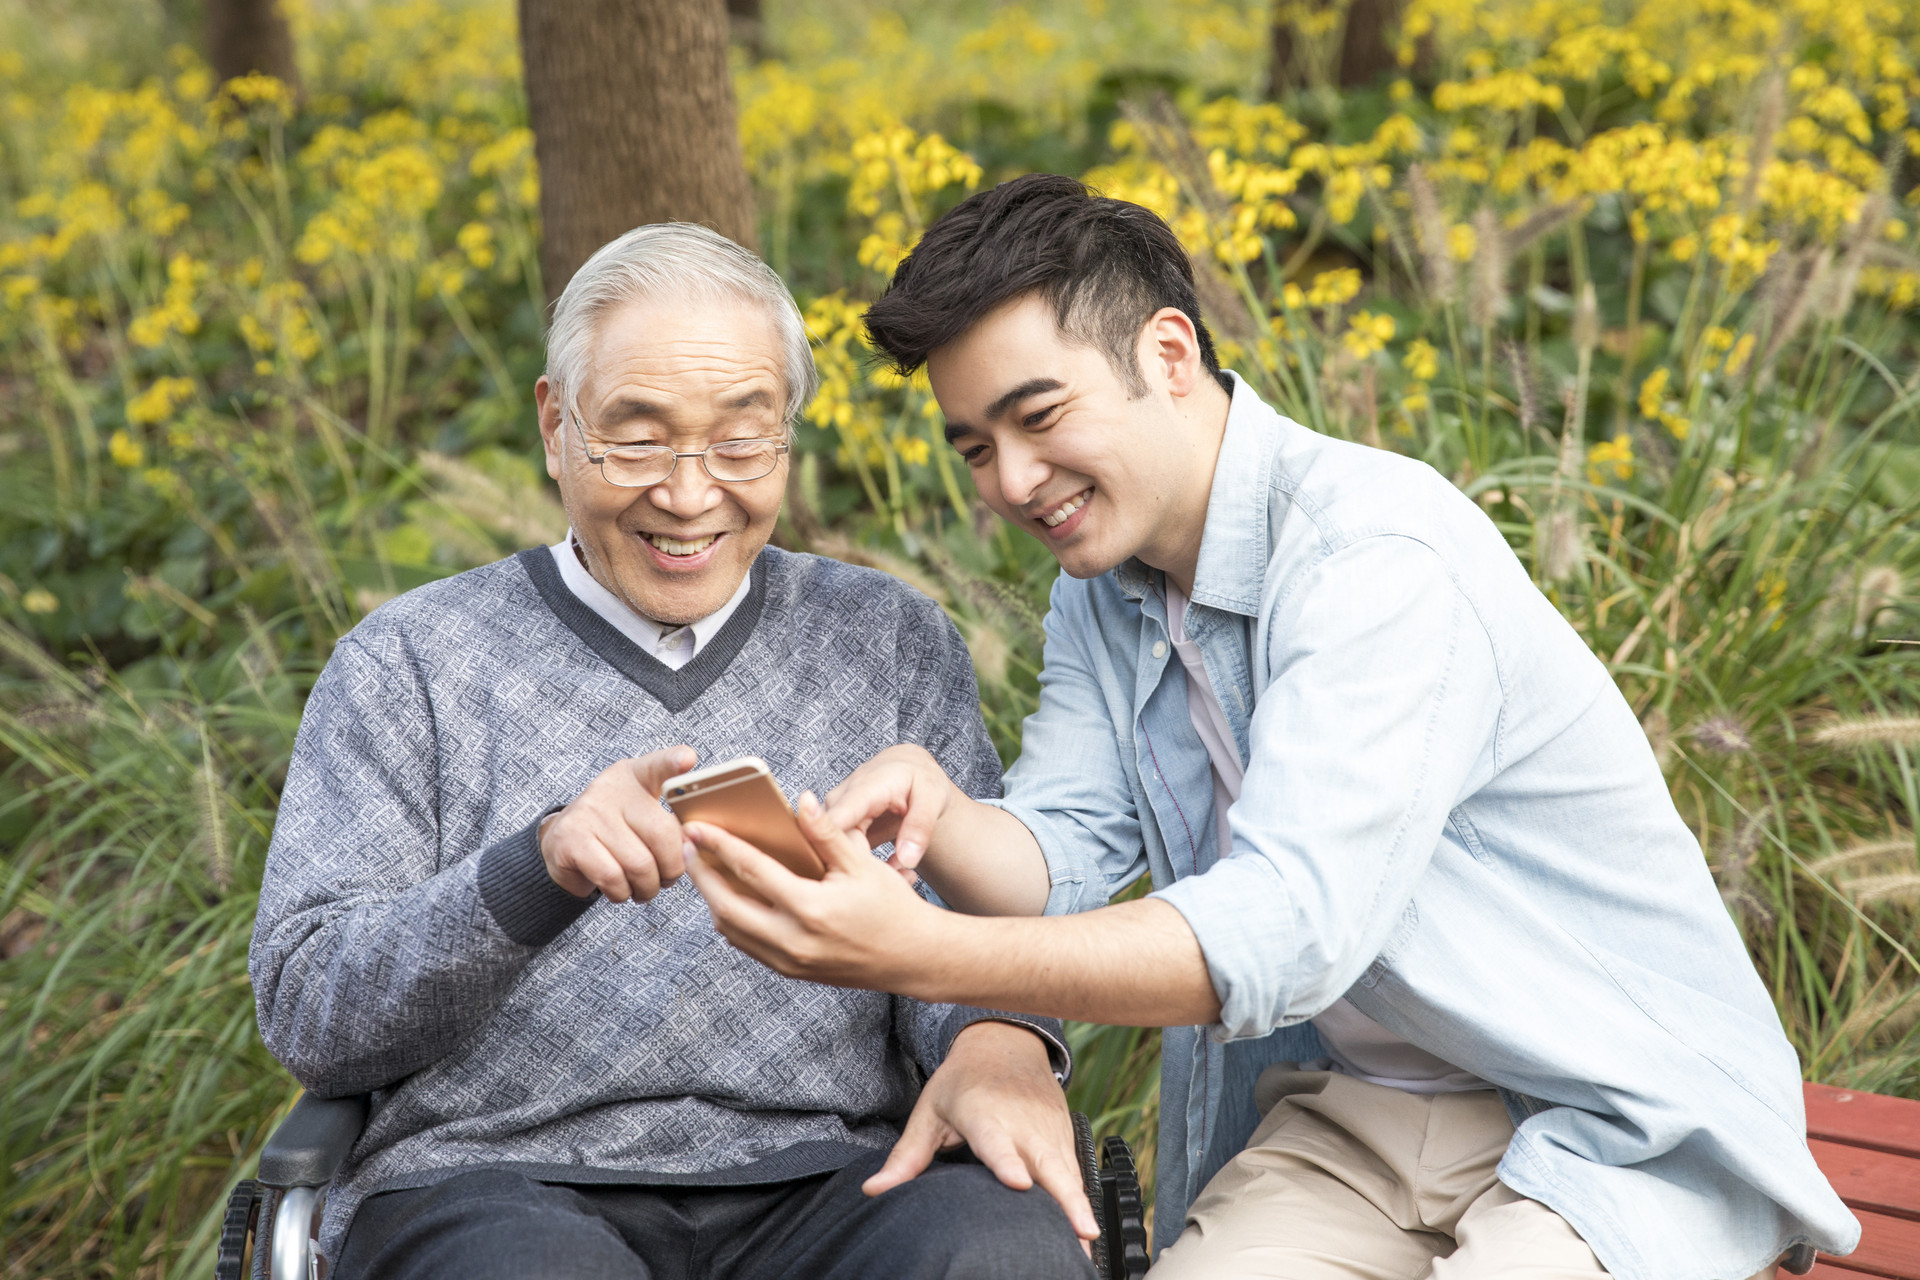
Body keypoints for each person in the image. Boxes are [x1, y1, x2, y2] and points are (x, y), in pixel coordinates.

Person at [679, 176, 1862, 1280]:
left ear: (1169, 351)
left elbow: (1286, 929)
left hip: (1607, 1115)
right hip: (1357, 1122)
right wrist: (942, 820)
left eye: (1038, 416)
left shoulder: (1373, 559)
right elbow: (1066, 854)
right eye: (976, 447)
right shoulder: (1101, 590)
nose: (1012, 480)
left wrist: (917, 953)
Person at [249, 222, 1098, 1280]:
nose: (691, 494)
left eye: (742, 441)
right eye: (639, 438)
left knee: (999, 1250)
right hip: (498, 1184)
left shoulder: (886, 638)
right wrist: (539, 865)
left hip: (840, 1179)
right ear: (558, 426)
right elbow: (311, 1013)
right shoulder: (408, 663)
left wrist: (998, 1039)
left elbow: (976, 930)